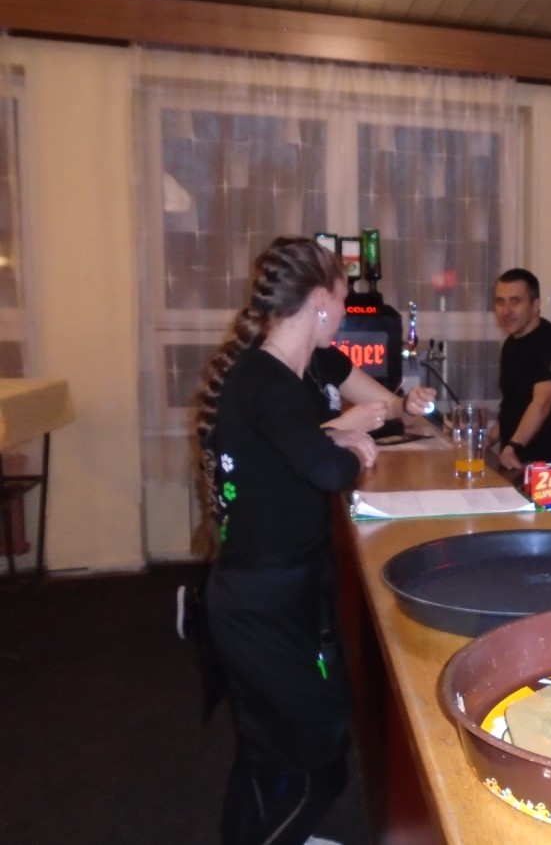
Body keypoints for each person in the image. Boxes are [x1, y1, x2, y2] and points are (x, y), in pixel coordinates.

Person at [193, 236, 434, 845]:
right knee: (317, 769)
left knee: (267, 755)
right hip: (261, 603)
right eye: (343, 299)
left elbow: (301, 450)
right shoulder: (265, 379)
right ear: (320, 299)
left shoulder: (281, 374)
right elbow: (326, 470)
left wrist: (340, 437)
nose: (346, 311)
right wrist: (348, 445)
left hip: (275, 592)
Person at [491, 268, 551, 469]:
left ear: (535, 305)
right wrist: (489, 439)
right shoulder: (510, 344)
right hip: (515, 461)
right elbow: (513, 405)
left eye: (515, 301)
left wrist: (513, 447)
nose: (506, 310)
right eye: (500, 302)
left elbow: (543, 402)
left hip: (550, 466)